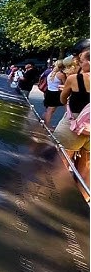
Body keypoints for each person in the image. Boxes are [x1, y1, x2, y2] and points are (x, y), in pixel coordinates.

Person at [53, 44, 90, 199]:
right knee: (86, 170)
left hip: (72, 127)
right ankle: (81, 203)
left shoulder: (76, 79)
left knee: (58, 166)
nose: (79, 64)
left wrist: (67, 93)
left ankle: (56, 200)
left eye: (80, 61)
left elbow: (62, 99)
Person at [42, 59, 66, 128]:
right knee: (51, 110)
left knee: (49, 110)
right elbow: (65, 84)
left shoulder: (51, 73)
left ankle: (45, 124)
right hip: (56, 93)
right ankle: (46, 126)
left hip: (49, 92)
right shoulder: (61, 75)